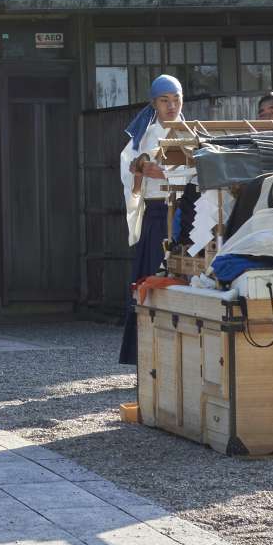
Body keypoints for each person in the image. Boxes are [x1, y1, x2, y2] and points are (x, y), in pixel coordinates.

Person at [118, 75, 194, 365]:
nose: (172, 106)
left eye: (176, 99)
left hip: (186, 218)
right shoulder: (144, 136)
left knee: (185, 279)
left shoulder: (191, 133)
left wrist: (171, 176)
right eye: (165, 100)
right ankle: (146, 356)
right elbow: (129, 173)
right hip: (156, 214)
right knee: (150, 280)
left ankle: (182, 356)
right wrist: (139, 171)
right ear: (154, 103)